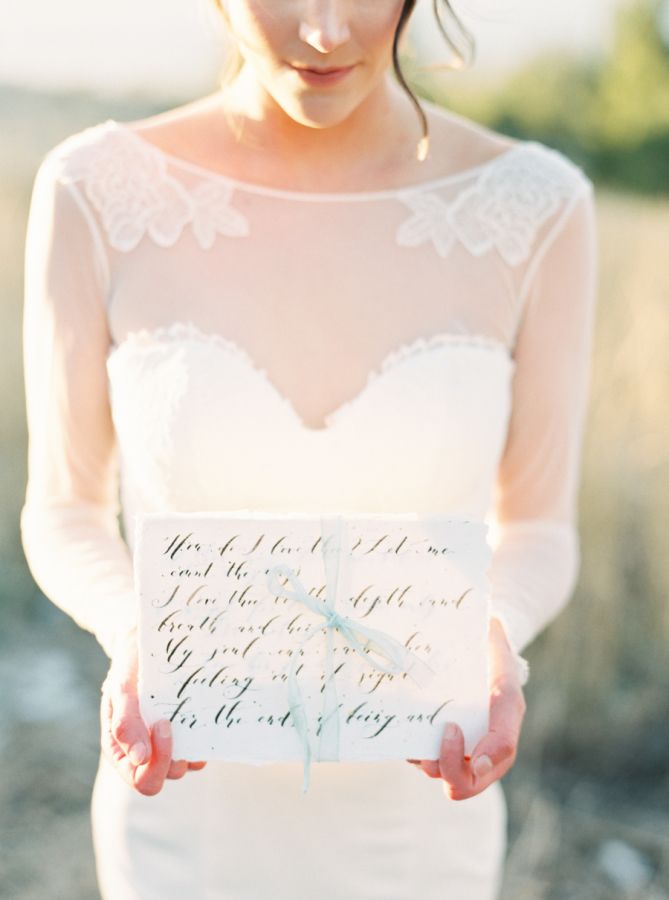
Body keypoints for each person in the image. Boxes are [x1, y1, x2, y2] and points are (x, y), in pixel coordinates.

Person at [19, 0, 598, 897]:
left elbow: (538, 527)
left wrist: (495, 633)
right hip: (184, 813)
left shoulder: (538, 207)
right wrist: (135, 629)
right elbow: (61, 509)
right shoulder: (90, 189)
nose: (325, 32)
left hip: (419, 820)